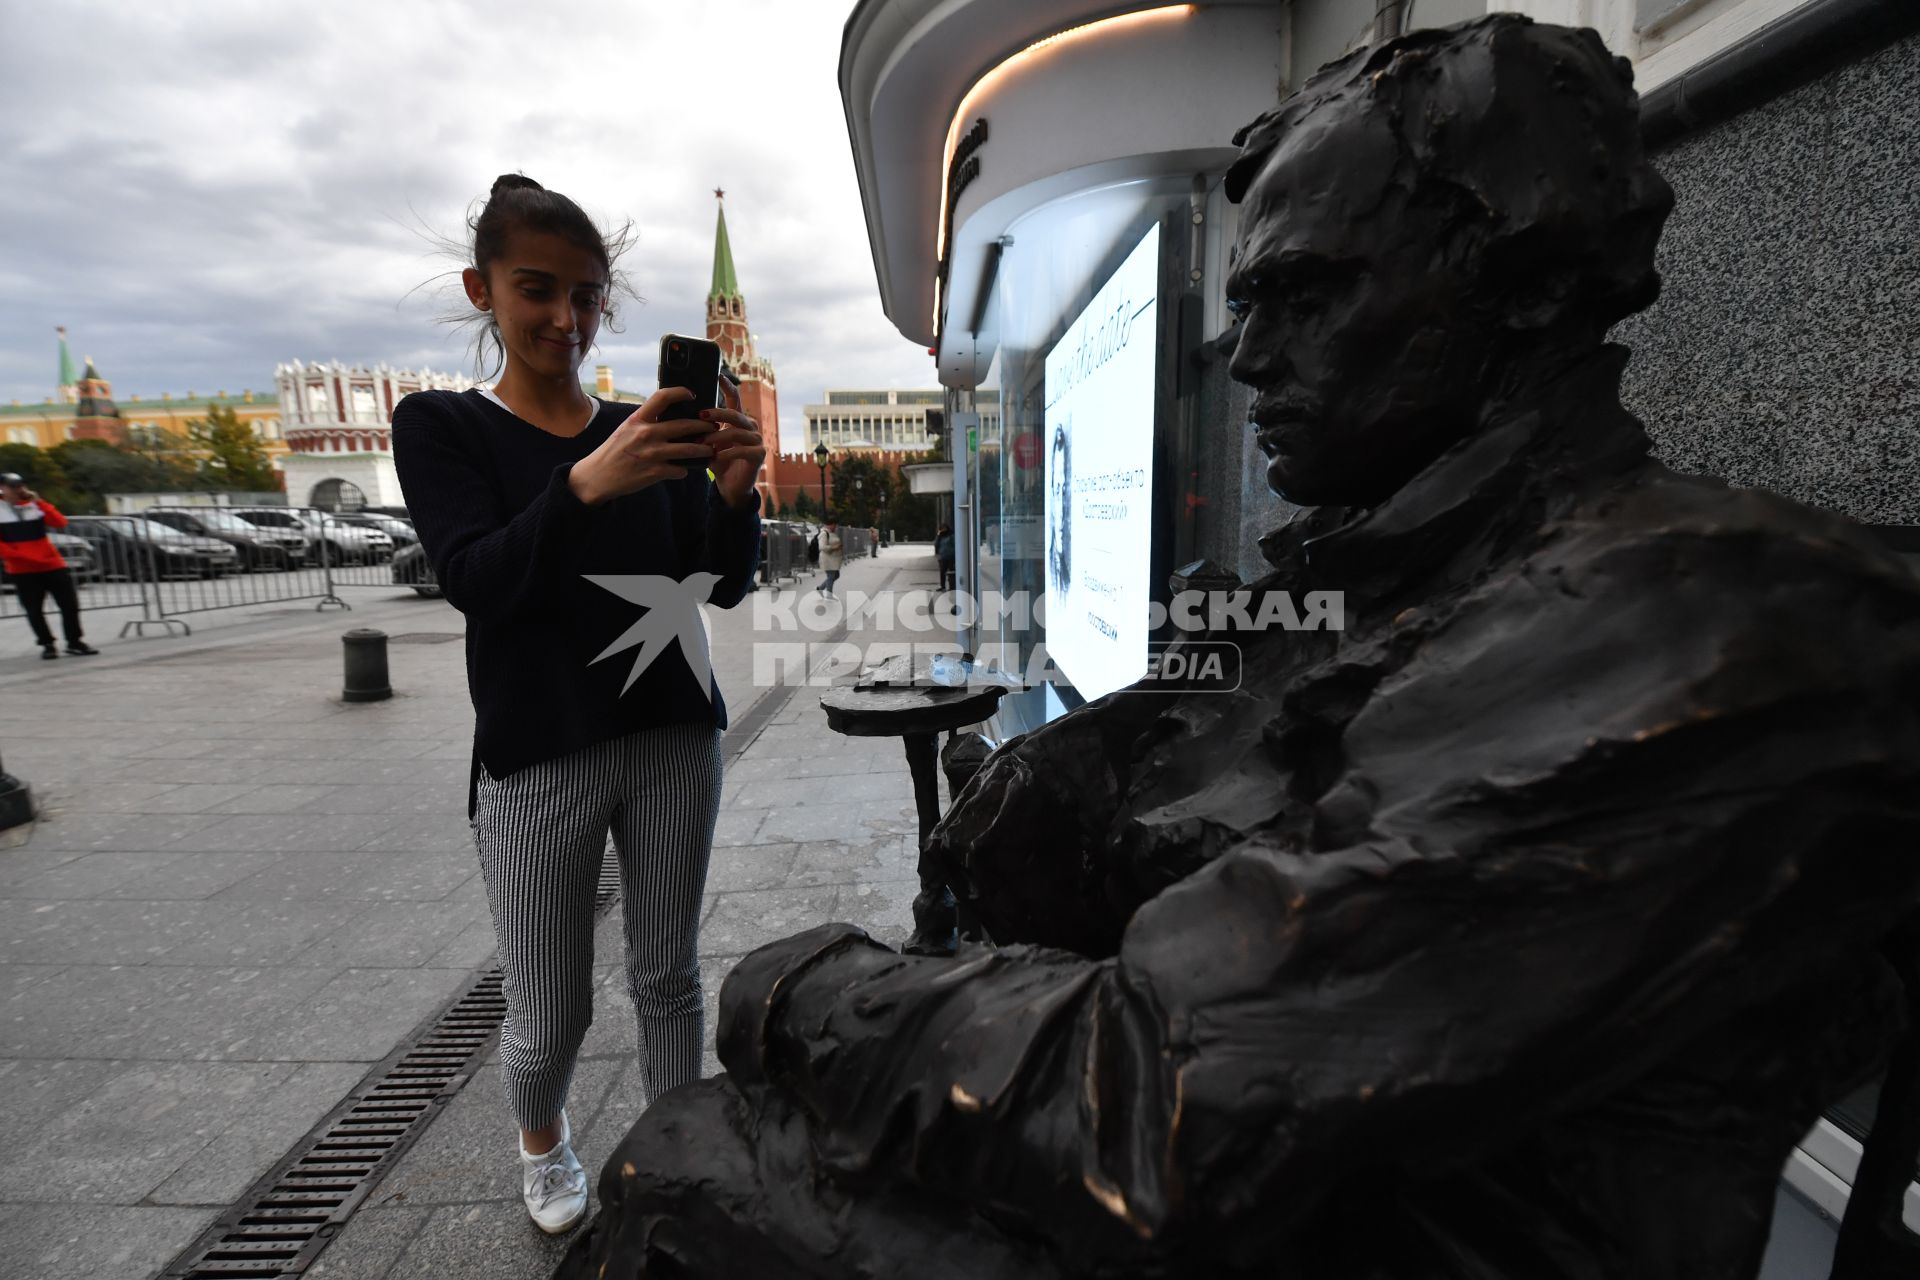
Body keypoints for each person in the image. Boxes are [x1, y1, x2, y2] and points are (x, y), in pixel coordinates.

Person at [570, 18, 1920, 1280]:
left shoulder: (1681, 614)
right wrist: (1073, 776)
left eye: (1310, 295)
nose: (1252, 356)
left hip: (1385, 1226)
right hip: (1298, 1180)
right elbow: (1238, 741)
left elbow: (1164, 1096)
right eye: (1246, 303)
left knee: (680, 1166)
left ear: (1520, 282)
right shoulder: (1390, 561)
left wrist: (798, 986)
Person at [391, 173, 764, 1237]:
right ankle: (543, 1140)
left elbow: (716, 581)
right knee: (550, 1008)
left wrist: (732, 497)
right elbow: (477, 577)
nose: (567, 317)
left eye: (589, 295)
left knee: (668, 974)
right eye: (537, 289)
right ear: (483, 290)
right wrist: (587, 483)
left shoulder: (645, 429)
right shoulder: (444, 425)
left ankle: (673, 1151)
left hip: (673, 737)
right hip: (538, 753)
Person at [0, 473, 96, 660]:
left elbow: (60, 522)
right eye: (12, 486)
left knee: (70, 605)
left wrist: (40, 502)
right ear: (2, 488)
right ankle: (47, 644)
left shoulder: (34, 505)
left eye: (20, 485)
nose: (17, 490)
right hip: (23, 569)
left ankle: (74, 642)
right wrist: (20, 555)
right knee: (34, 610)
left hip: (52, 564)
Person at [816, 518, 843, 597]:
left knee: (836, 575)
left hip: (833, 559)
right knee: (831, 577)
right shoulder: (824, 533)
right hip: (828, 559)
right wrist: (834, 547)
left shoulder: (832, 533)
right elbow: (822, 547)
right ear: (830, 525)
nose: (836, 527)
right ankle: (829, 596)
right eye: (835, 525)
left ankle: (820, 588)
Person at [933, 522, 954, 592]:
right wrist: (938, 535)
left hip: (951, 556)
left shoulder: (951, 536)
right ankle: (942, 586)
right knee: (942, 572)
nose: (943, 530)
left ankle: (952, 586)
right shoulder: (940, 537)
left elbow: (954, 545)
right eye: (942, 529)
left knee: (951, 572)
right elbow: (936, 544)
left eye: (944, 528)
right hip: (943, 557)